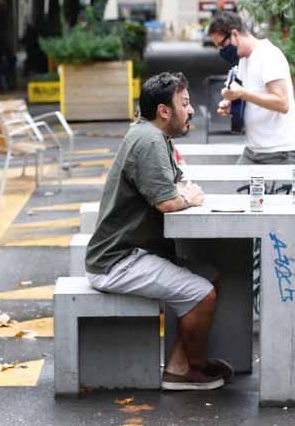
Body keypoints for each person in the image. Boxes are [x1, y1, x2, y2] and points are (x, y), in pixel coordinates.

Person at [85, 72, 230, 391]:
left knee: (209, 276)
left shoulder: (150, 135)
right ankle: (184, 371)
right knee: (202, 293)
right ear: (164, 111)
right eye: (185, 103)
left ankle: (182, 364)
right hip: (117, 262)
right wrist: (187, 198)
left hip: (131, 253)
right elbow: (168, 201)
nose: (191, 110)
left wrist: (181, 194)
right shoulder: (149, 140)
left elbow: (173, 184)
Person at [206, 11, 295, 165]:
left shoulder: (268, 55)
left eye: (222, 45)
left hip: (280, 151)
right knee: (231, 187)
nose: (221, 51)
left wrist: (243, 94)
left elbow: (282, 103)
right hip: (254, 149)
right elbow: (254, 97)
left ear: (235, 34)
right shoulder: (244, 59)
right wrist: (232, 105)